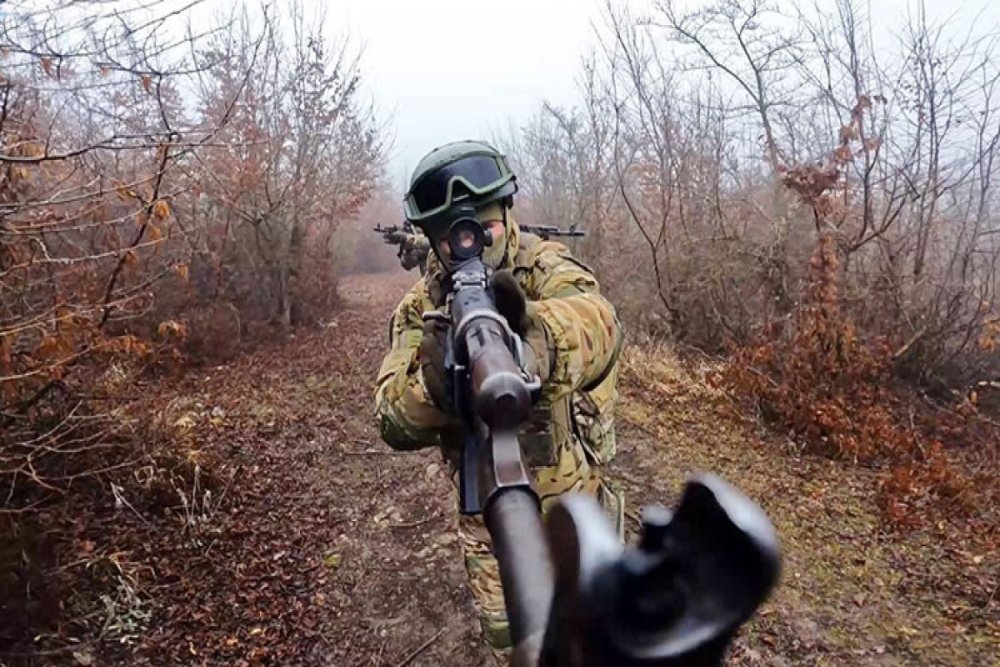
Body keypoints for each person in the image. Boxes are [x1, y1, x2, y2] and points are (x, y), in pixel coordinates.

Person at [372, 140, 623, 662]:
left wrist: (534, 343)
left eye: (483, 227)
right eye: (452, 235)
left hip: (580, 509)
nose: (471, 243)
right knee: (520, 646)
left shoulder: (544, 268)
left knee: (602, 639)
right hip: (493, 531)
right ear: (434, 241)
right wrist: (433, 385)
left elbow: (601, 322)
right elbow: (390, 418)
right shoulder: (421, 309)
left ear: (507, 213)